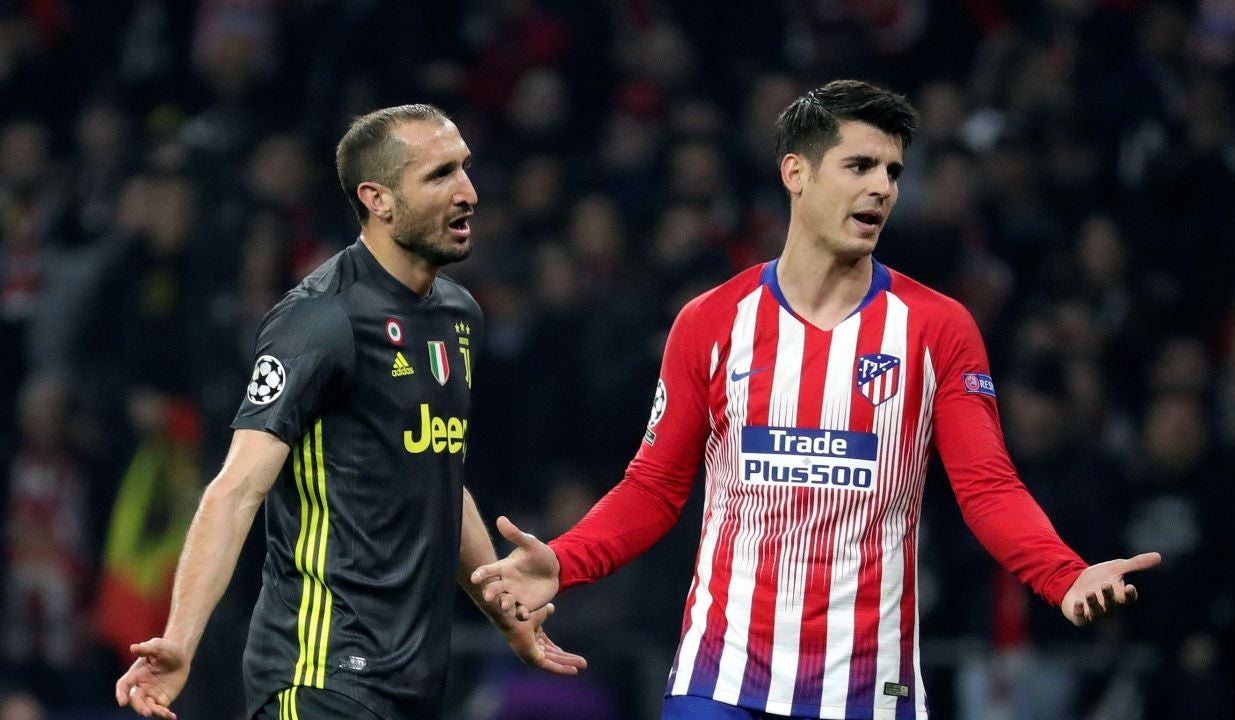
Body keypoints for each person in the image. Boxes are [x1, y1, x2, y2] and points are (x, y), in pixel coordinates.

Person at [472, 80, 1161, 720]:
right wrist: (565, 560)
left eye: (892, 171)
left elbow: (987, 489)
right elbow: (653, 488)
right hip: (722, 679)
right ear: (795, 173)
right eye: (859, 166)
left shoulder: (937, 328)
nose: (882, 187)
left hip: (867, 688)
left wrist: (1063, 576)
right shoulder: (711, 322)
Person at [114, 104, 585, 720]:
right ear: (378, 199)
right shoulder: (319, 319)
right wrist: (179, 641)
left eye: (465, 169)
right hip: (320, 671)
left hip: (416, 677)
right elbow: (235, 490)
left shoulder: (458, 314)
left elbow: (437, 471)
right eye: (439, 175)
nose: (468, 192)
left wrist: (503, 610)